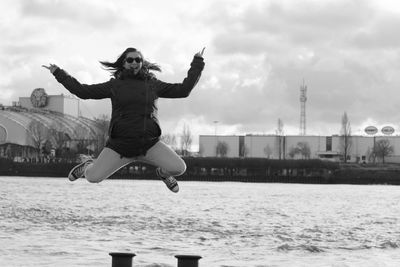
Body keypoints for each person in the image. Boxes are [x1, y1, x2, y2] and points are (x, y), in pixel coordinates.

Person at [42, 47, 205, 193]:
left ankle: (163, 173)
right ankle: (87, 165)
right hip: (120, 147)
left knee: (179, 168)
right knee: (93, 177)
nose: (134, 63)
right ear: (123, 63)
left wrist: (197, 64)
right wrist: (59, 73)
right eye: (130, 60)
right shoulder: (115, 86)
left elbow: (183, 90)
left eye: (138, 60)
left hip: (148, 144)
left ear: (142, 63)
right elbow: (83, 91)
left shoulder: (152, 84)